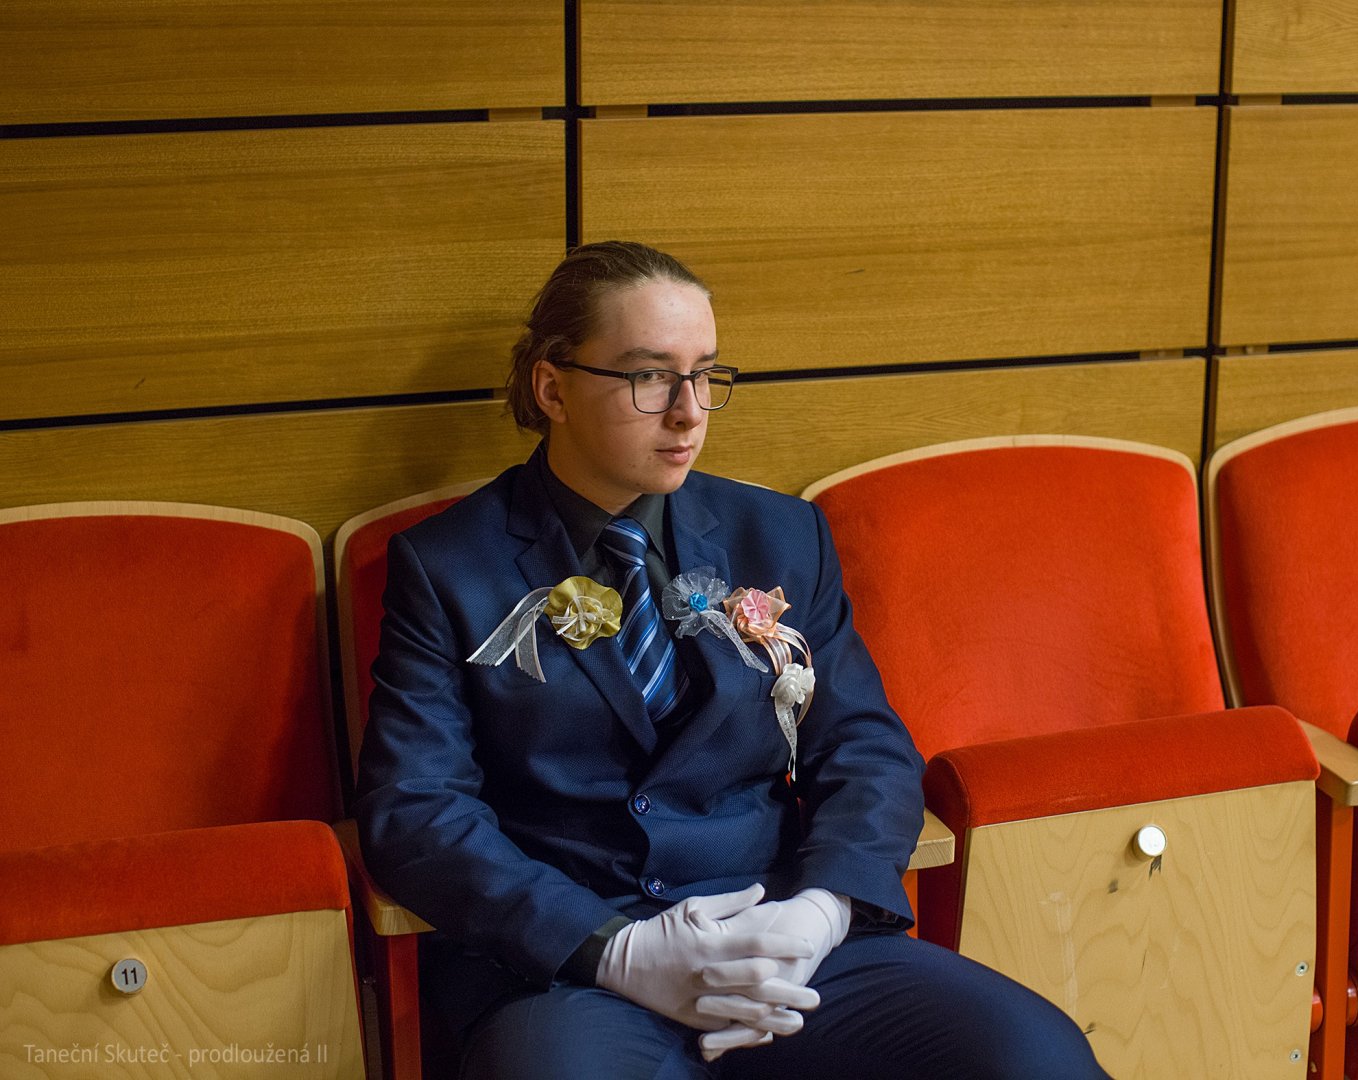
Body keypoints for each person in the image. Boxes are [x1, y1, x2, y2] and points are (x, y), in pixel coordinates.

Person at [355, 241, 1109, 1079]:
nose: (689, 413)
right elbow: (414, 809)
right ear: (552, 388)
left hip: (785, 937)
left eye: (705, 374)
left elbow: (864, 747)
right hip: (576, 974)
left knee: (1037, 1057)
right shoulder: (448, 566)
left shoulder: (780, 535)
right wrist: (615, 950)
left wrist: (821, 910)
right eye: (650, 377)